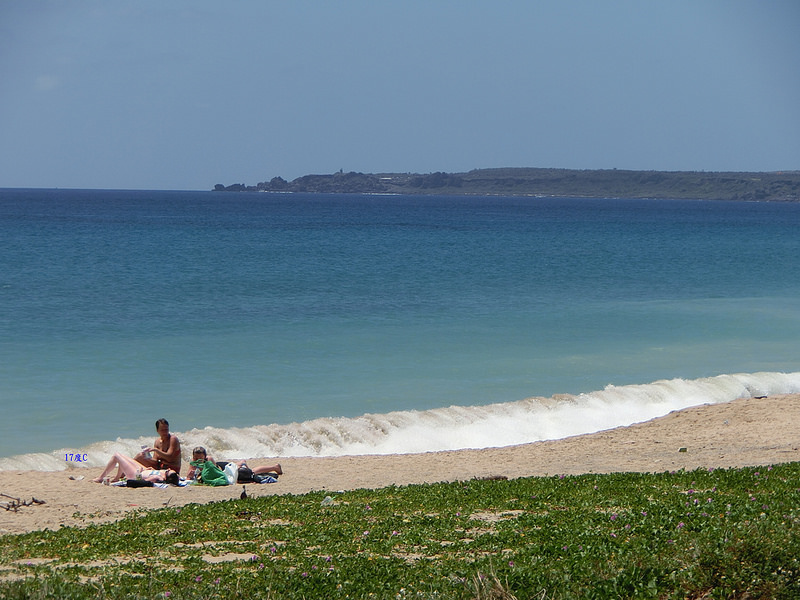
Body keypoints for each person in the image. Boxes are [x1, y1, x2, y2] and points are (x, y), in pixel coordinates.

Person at [187, 446, 282, 482]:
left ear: (205, 456)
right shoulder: (193, 462)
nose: (197, 460)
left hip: (223, 468)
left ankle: (275, 467)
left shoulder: (209, 460)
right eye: (196, 458)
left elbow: (218, 473)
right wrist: (190, 475)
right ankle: (241, 463)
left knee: (251, 472)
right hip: (221, 469)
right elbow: (189, 476)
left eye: (200, 458)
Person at [92, 452, 180, 485]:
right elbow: (177, 478)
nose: (168, 469)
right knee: (122, 456)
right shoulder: (165, 474)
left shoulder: (159, 478)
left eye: (169, 471)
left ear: (168, 476)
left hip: (136, 474)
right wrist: (150, 470)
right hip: (143, 470)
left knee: (116, 455)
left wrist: (137, 477)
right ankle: (116, 478)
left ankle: (101, 478)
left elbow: (144, 481)